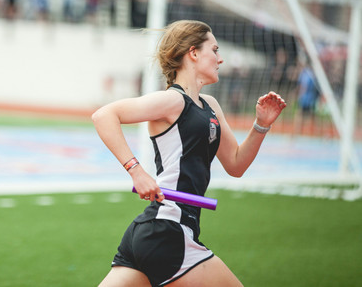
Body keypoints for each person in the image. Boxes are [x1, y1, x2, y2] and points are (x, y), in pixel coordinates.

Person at [92, 20, 286, 286]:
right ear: (193, 53)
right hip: (169, 230)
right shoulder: (172, 100)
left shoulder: (211, 106)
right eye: (214, 50)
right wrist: (136, 171)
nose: (220, 59)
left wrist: (261, 125)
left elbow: (236, 165)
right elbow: (104, 115)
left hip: (153, 231)